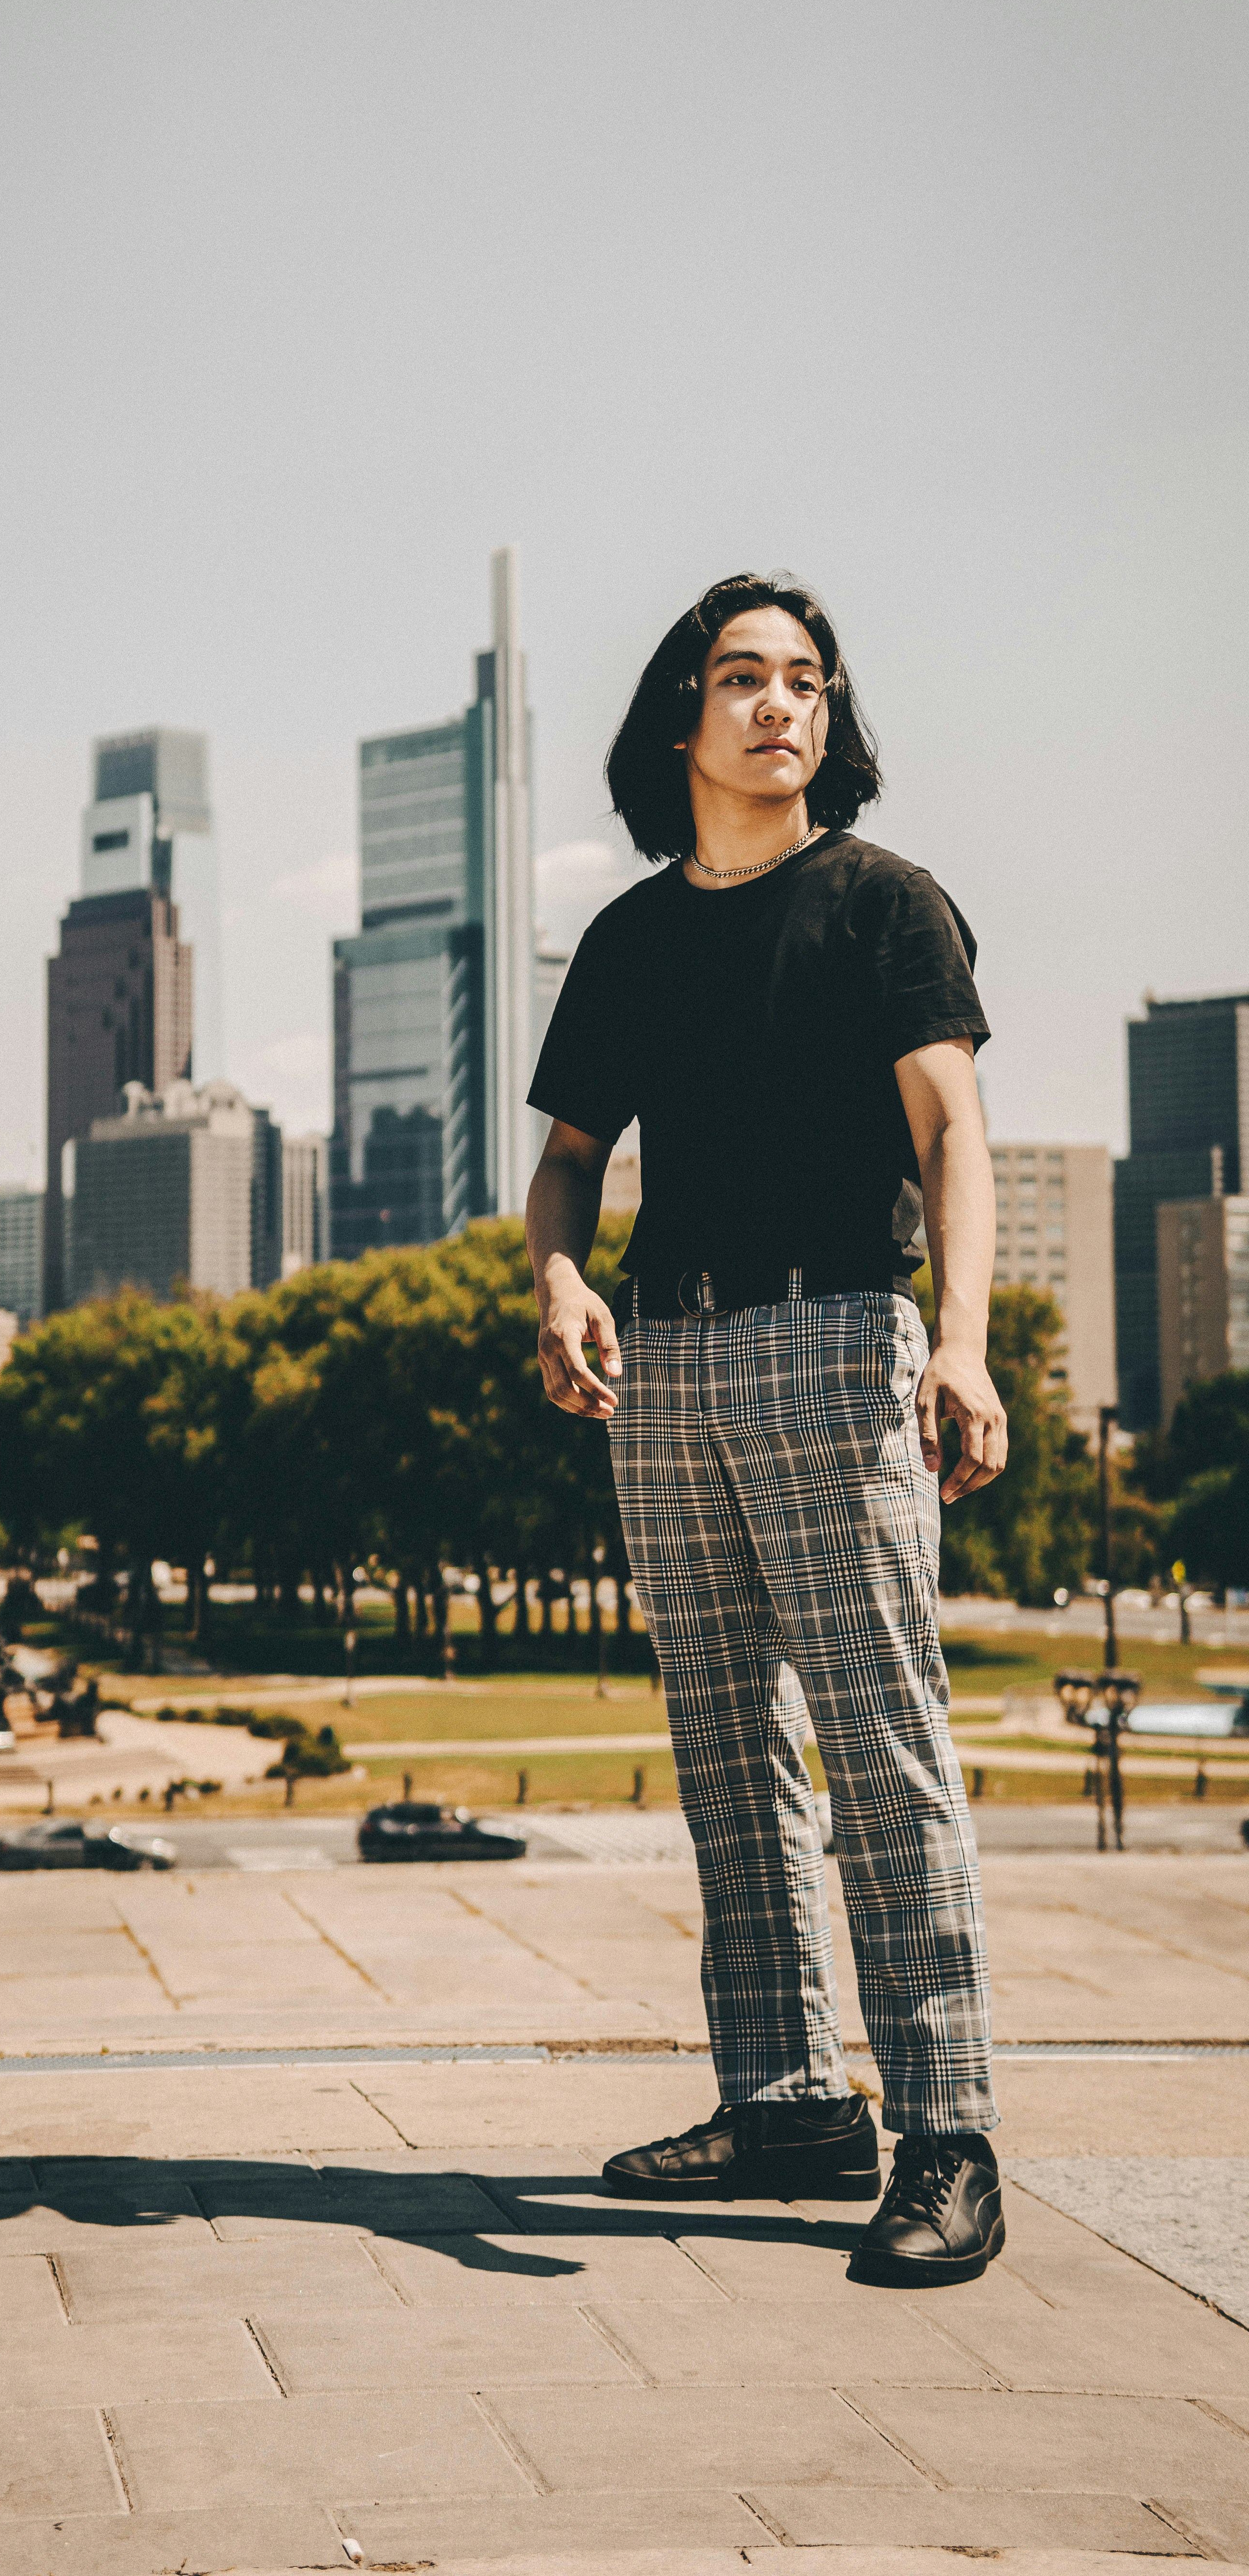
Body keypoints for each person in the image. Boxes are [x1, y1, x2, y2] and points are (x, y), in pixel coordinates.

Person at [524, 571, 1006, 2289]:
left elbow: (953, 1134)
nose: (780, 704)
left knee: (882, 1742)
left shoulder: (886, 906)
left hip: (835, 1334)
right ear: (684, 717)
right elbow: (571, 1158)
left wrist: (962, 1344)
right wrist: (560, 1282)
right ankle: (790, 2098)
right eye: (744, 677)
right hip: (665, 1358)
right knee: (729, 1749)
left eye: (807, 679)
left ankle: (949, 2133)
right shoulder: (633, 938)